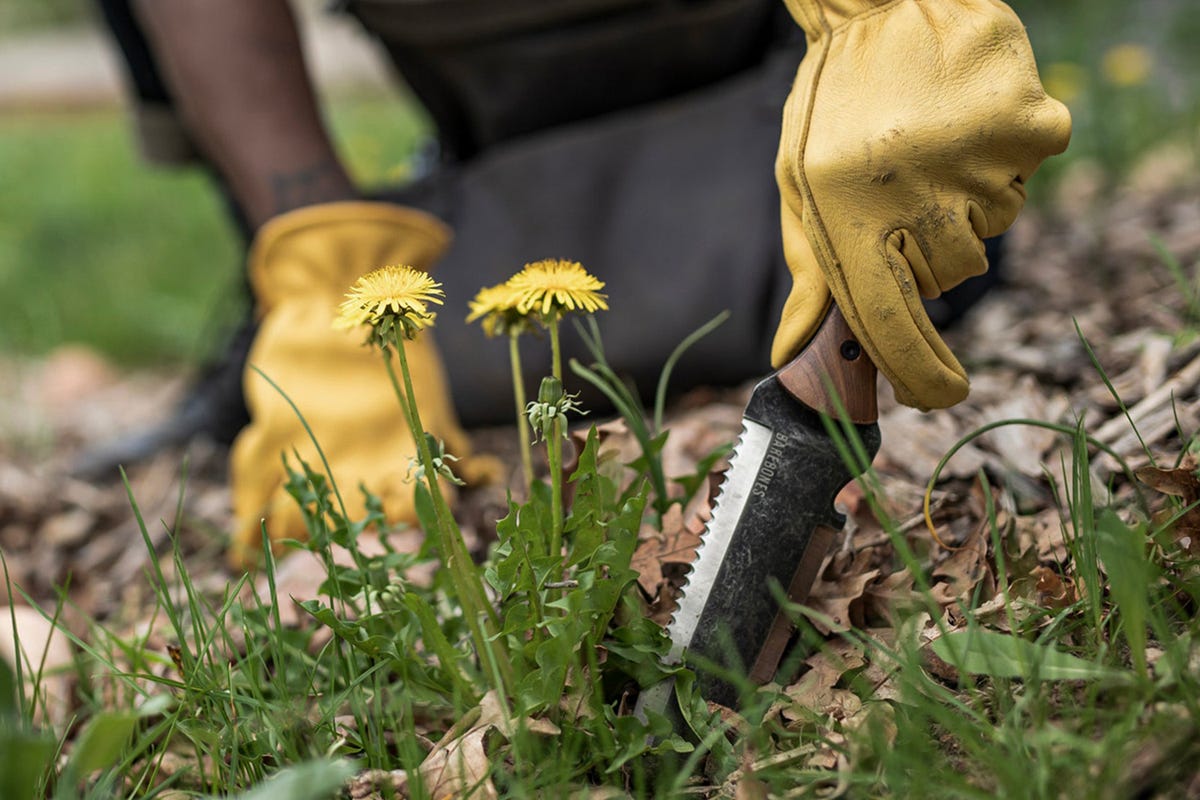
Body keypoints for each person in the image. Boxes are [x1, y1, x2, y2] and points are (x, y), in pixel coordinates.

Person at [88, 0, 1070, 567]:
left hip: (765, 77)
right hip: (499, 129)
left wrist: (881, 21)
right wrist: (319, 263)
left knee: (886, 260)